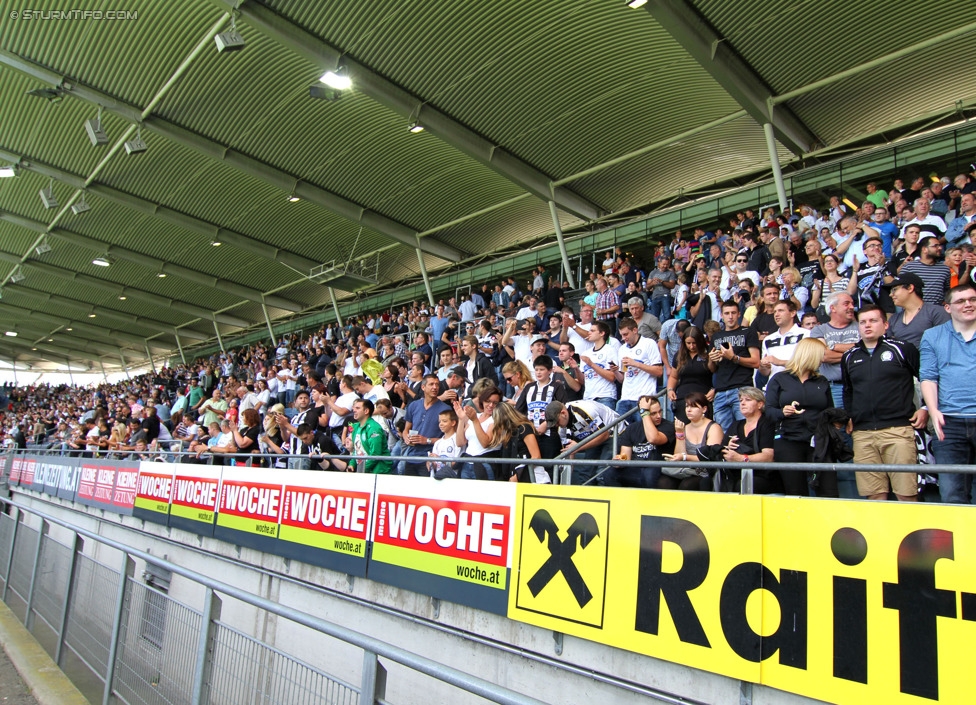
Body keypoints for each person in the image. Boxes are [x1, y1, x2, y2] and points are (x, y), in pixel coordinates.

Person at [841, 305, 923, 501]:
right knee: (874, 496)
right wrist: (850, 416)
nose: (867, 325)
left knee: (906, 494)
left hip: (898, 430)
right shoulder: (849, 356)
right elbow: (848, 390)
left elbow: (926, 379)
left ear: (885, 325)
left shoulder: (902, 349)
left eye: (873, 321)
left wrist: (926, 408)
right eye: (862, 322)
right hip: (863, 435)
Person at [920, 282, 976, 503]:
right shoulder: (932, 336)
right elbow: (928, 377)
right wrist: (933, 411)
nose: (968, 304)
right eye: (961, 301)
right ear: (948, 307)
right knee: (952, 493)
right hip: (949, 423)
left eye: (972, 299)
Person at [765, 338, 835, 496]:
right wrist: (782, 412)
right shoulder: (779, 379)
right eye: (821, 355)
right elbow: (768, 411)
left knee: (828, 490)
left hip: (818, 440)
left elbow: (830, 410)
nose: (823, 359)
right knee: (795, 491)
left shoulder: (821, 381)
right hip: (788, 439)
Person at [707, 301, 760, 431]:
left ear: (739, 314)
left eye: (733, 313)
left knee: (746, 431)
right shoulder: (716, 336)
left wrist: (733, 358)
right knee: (724, 434)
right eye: (727, 313)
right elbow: (712, 368)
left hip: (742, 389)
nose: (730, 316)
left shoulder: (748, 332)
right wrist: (711, 359)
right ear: (721, 315)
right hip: (720, 391)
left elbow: (756, 362)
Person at [606, 395, 675, 489]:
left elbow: (653, 439)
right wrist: (620, 461)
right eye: (653, 413)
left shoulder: (668, 426)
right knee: (610, 473)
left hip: (657, 467)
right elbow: (625, 456)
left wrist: (645, 413)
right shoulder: (632, 428)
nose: (658, 416)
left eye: (660, 411)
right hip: (636, 468)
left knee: (649, 474)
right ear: (641, 413)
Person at [661, 392, 724, 491]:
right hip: (686, 469)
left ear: (704, 409)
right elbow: (679, 456)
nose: (689, 410)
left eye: (693, 407)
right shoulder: (684, 427)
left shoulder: (714, 428)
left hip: (705, 471)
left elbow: (709, 456)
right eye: (687, 406)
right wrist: (680, 433)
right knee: (664, 482)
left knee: (688, 485)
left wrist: (685, 457)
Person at [545, 399, 618, 485]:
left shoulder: (582, 411)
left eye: (557, 422)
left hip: (614, 433)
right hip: (594, 437)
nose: (556, 425)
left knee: (601, 473)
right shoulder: (562, 429)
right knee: (586, 474)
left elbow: (605, 434)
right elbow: (569, 452)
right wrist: (566, 481)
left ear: (563, 413)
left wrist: (578, 447)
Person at [723, 387, 777, 494]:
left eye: (748, 400)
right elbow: (721, 450)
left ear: (760, 404)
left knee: (742, 485)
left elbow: (768, 456)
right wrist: (727, 447)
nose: (742, 403)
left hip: (762, 475)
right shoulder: (735, 425)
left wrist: (741, 458)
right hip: (736, 474)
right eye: (741, 400)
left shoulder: (767, 424)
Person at [809, 292, 859, 408]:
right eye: (846, 304)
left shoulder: (861, 326)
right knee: (837, 424)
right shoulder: (819, 330)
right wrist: (856, 352)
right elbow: (824, 356)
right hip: (833, 388)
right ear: (833, 308)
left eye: (852, 303)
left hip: (860, 384)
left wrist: (834, 347)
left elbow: (867, 349)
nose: (852, 307)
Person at [401, 375, 451, 476]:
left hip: (430, 458)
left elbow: (450, 438)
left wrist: (427, 440)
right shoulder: (413, 405)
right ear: (423, 387)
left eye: (437, 384)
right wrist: (406, 437)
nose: (435, 387)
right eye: (431, 384)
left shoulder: (445, 409)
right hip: (411, 456)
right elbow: (406, 430)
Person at [614, 317, 663, 417]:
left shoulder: (648, 343)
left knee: (643, 430)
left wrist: (636, 364)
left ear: (635, 330)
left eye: (625, 334)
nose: (623, 338)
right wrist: (615, 371)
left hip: (644, 397)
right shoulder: (622, 349)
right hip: (625, 397)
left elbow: (659, 371)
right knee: (621, 431)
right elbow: (622, 379)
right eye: (621, 335)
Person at [886, 272, 950, 347]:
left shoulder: (937, 312)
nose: (890, 294)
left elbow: (945, 344)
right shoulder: (894, 319)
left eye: (894, 289)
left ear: (910, 288)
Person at [666, 326, 714, 423]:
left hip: (703, 398)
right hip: (683, 398)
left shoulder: (708, 353)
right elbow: (673, 376)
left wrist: (714, 389)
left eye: (694, 343)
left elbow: (717, 374)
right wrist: (670, 389)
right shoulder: (679, 355)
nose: (691, 346)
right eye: (688, 343)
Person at [453, 388, 501, 480]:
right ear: (482, 401)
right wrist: (461, 419)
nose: (491, 405)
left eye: (495, 403)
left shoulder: (497, 419)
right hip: (467, 464)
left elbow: (485, 443)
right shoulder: (476, 416)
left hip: (485, 465)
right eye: (488, 401)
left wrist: (475, 421)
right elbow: (460, 442)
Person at [491, 403, 545, 482]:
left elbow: (536, 456)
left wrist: (518, 475)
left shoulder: (524, 428)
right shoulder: (510, 433)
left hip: (528, 477)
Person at [758, 300, 808, 380]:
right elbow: (766, 372)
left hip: (799, 385)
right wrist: (763, 366)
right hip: (774, 387)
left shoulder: (806, 334)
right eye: (775, 312)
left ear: (793, 313)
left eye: (781, 311)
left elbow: (808, 363)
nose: (776, 314)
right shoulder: (768, 339)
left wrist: (779, 362)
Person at [899, 236, 952, 306]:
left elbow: (946, 290)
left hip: (937, 310)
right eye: (935, 246)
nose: (940, 248)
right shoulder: (909, 267)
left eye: (939, 245)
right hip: (915, 310)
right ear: (924, 249)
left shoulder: (945, 269)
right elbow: (901, 289)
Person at [580, 321, 619, 410]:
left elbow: (612, 376)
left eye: (592, 331)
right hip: (588, 398)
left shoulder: (610, 350)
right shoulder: (586, 353)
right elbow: (583, 380)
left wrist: (591, 364)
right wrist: (575, 368)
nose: (589, 333)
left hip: (605, 396)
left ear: (602, 333)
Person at [347, 399, 392, 474]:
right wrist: (352, 465)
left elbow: (375, 454)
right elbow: (356, 450)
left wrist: (361, 470)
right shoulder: (356, 427)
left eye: (357, 408)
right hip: (363, 471)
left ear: (366, 411)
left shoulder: (374, 428)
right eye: (354, 408)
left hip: (378, 472)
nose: (354, 410)